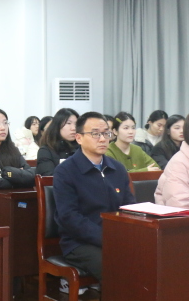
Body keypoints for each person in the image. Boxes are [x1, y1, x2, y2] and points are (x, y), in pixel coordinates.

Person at [54, 111, 135, 282]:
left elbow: (129, 207)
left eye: (106, 133)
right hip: (79, 243)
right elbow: (69, 217)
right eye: (95, 134)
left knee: (149, 256)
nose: (103, 139)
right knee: (114, 265)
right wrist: (107, 237)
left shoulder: (118, 168)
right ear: (79, 138)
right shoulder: (66, 171)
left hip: (116, 237)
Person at [36, 108, 79, 177]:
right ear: (57, 126)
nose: (73, 128)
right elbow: (49, 178)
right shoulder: (46, 151)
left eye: (76, 124)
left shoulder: (83, 148)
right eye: (68, 123)